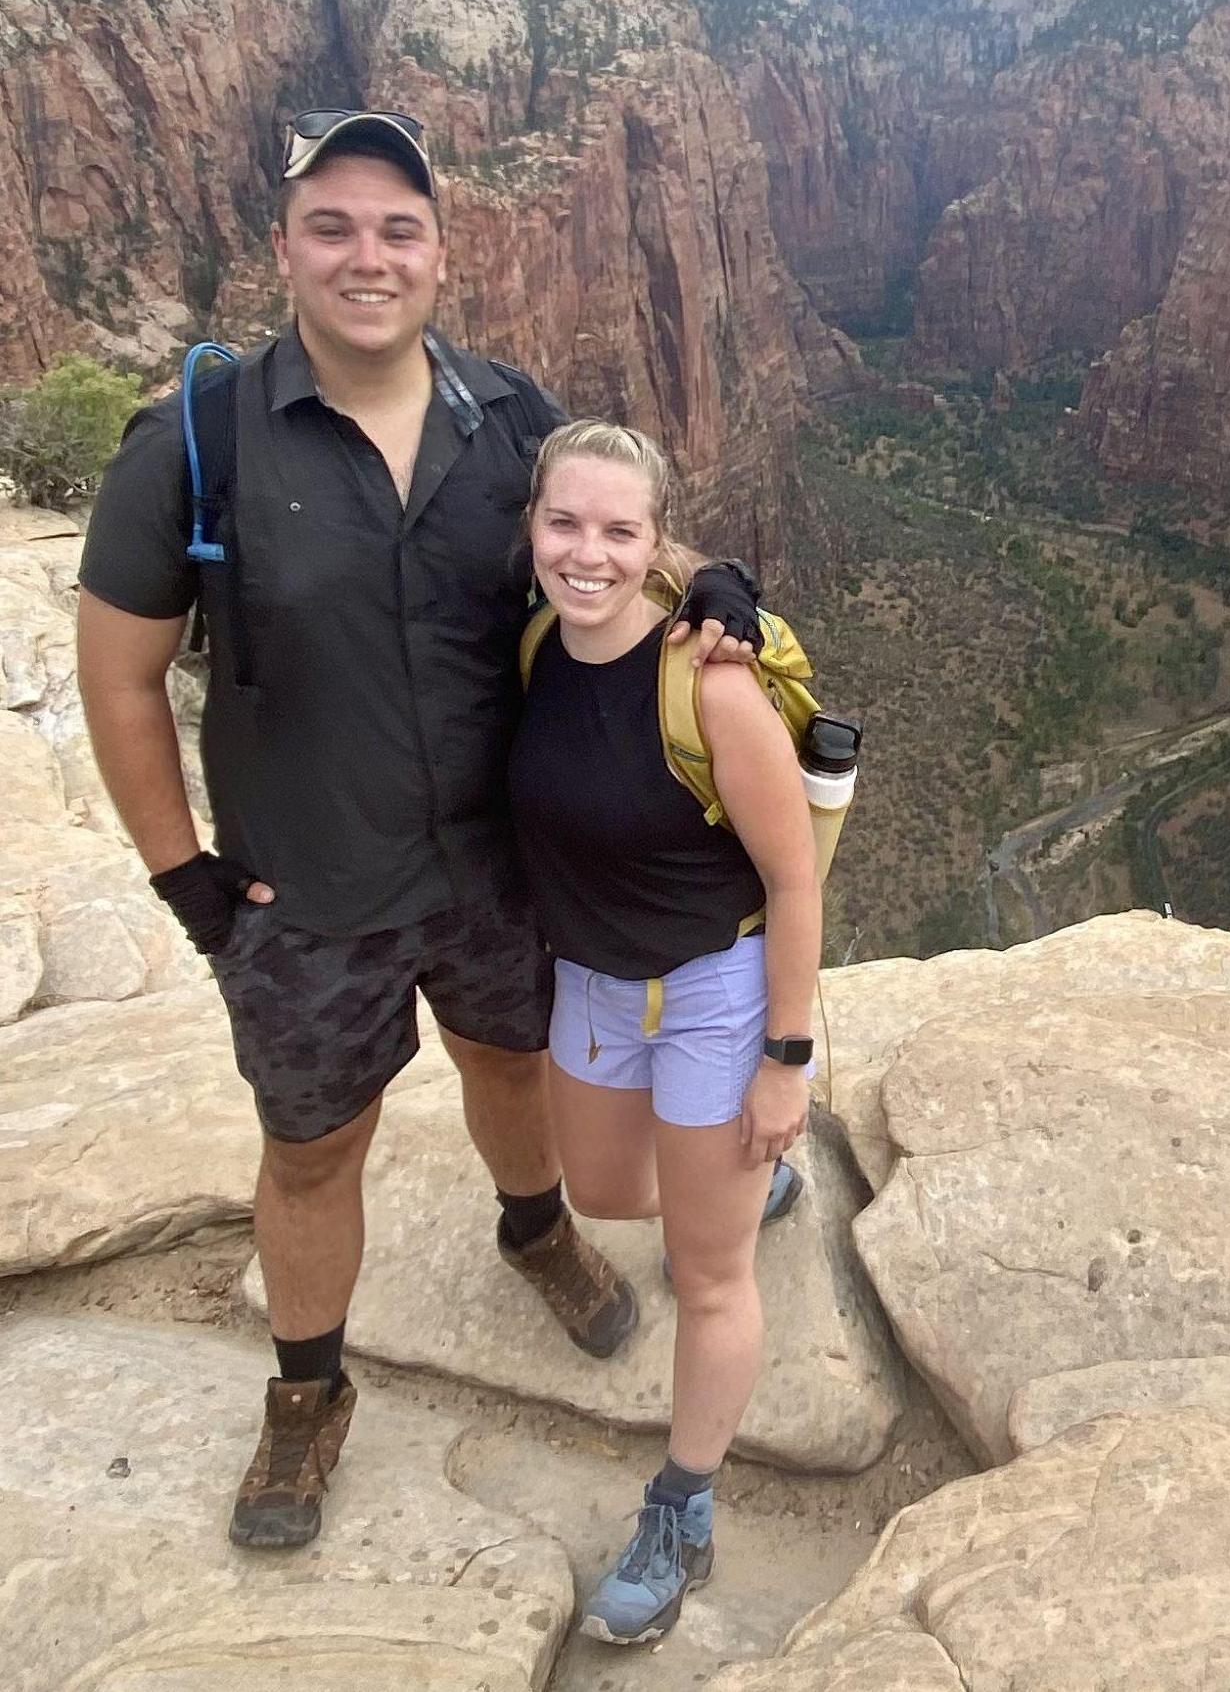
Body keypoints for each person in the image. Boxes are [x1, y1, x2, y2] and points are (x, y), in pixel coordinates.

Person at [73, 107, 765, 1551]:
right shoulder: (190, 441)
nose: (365, 256)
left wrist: (722, 592)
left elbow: (609, 541)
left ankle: (534, 1229)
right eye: (332, 225)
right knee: (313, 1148)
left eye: (398, 228)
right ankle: (308, 1393)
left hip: (503, 873)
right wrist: (187, 882)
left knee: (509, 1062)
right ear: (283, 247)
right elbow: (121, 679)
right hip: (308, 888)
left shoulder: (509, 419)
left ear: (443, 254)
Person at [510, 418, 821, 1648]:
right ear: (531, 527)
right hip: (590, 984)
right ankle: (751, 1185)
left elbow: (794, 880)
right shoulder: (535, 644)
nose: (587, 552)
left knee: (707, 1274)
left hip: (710, 989)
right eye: (564, 522)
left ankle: (681, 1508)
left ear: (657, 547)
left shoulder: (711, 683)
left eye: (618, 529)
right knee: (598, 1188)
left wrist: (783, 1057)